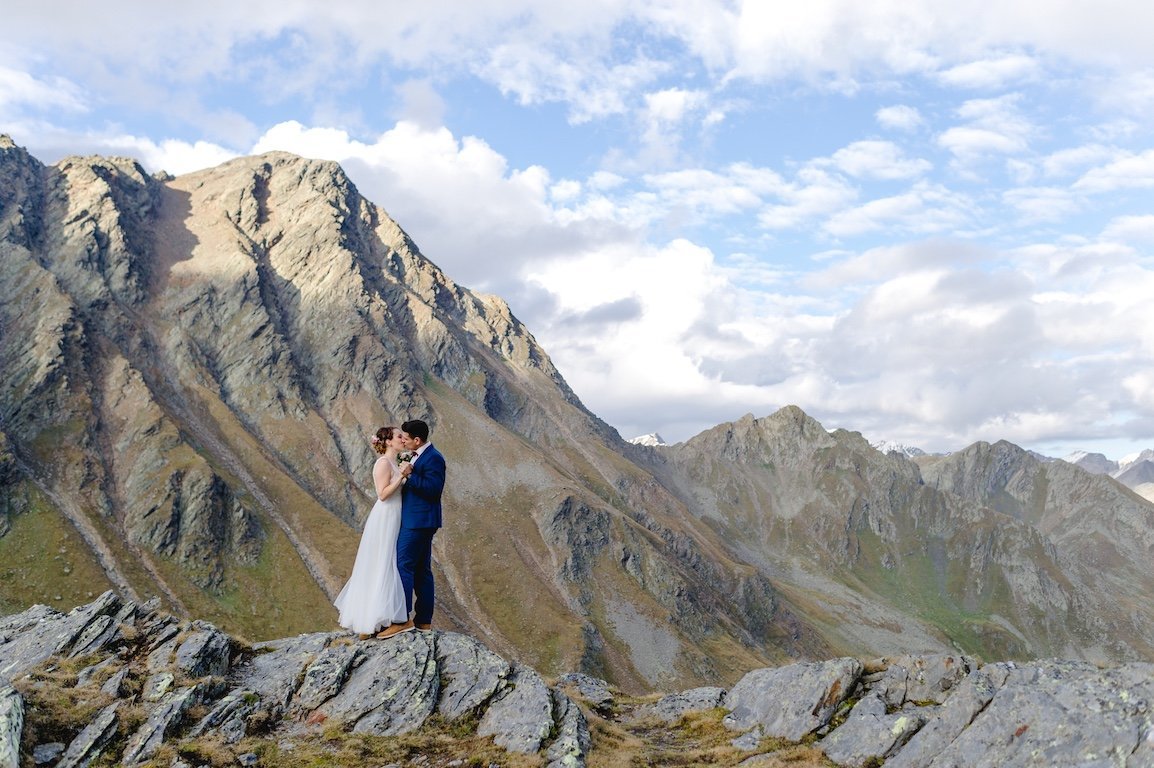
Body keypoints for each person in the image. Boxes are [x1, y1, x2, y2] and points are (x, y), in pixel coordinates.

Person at [333, 426, 411, 639]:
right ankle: (373, 619)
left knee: (386, 562)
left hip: (395, 516)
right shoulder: (383, 463)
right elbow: (382, 494)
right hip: (385, 516)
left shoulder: (394, 462)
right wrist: (401, 477)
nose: (402, 439)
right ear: (388, 442)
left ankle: (375, 618)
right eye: (398, 436)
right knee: (382, 562)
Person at [380, 418, 445, 636]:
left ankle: (401, 619)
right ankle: (423, 620)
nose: (404, 442)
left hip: (418, 522)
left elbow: (433, 490)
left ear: (417, 440)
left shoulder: (434, 458)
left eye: (406, 439)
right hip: (417, 520)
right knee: (421, 570)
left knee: (403, 566)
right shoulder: (417, 455)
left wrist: (410, 475)